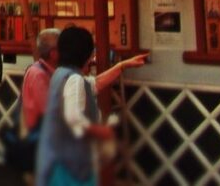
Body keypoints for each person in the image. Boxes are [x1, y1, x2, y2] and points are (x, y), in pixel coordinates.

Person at [35, 27, 148, 186]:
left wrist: (122, 65)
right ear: (85, 54)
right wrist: (102, 131)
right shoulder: (75, 80)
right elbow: (74, 119)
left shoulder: (61, 73)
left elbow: (95, 84)